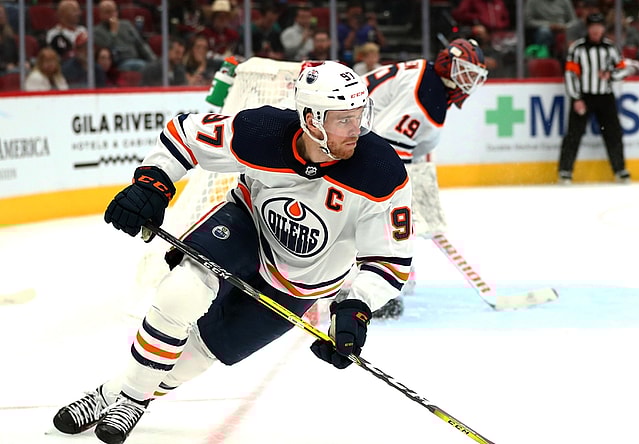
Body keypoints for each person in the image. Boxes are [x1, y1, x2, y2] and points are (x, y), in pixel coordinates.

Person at [51, 60, 412, 444]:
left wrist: (355, 306)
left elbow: (390, 261)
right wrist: (152, 182)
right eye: (343, 120)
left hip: (304, 284)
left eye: (359, 115)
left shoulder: (381, 172)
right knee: (180, 294)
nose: (356, 129)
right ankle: (132, 399)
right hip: (245, 229)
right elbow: (184, 132)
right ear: (310, 118)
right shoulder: (263, 132)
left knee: (200, 354)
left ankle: (115, 394)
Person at [360, 38, 488, 318]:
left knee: (387, 216)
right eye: (465, 71)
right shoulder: (427, 93)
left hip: (357, 140)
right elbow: (390, 144)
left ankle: (383, 278)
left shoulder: (430, 82)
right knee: (381, 215)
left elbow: (405, 145)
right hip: (355, 146)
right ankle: (372, 289)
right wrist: (402, 191)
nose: (470, 81)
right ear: (447, 65)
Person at [558, 13, 633, 185]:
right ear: (588, 28)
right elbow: (570, 75)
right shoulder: (577, 49)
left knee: (613, 133)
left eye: (599, 26)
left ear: (603, 29)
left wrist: (611, 75)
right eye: (592, 27)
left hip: (605, 96)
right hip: (584, 96)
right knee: (573, 134)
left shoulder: (610, 48)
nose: (596, 30)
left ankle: (620, 169)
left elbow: (623, 70)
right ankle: (565, 171)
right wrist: (576, 98)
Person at [93, 0, 157, 72]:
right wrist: (113, 32)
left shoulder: (126, 25)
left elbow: (140, 44)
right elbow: (108, 50)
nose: (112, 15)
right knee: (141, 66)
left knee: (155, 66)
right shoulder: (96, 31)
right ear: (100, 14)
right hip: (118, 63)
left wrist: (153, 60)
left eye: (114, 11)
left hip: (136, 59)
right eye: (108, 12)